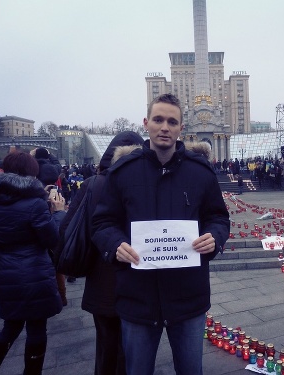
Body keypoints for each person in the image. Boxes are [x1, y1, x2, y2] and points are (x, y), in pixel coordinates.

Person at [91, 93, 230, 375]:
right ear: (146, 123)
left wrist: (215, 237)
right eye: (158, 120)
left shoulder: (200, 171)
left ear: (181, 128)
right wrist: (115, 244)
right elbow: (103, 222)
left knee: (191, 370)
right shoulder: (123, 172)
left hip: (188, 297)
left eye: (171, 121)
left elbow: (218, 217)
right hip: (138, 297)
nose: (164, 127)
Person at [59, 131, 143, 375]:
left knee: (106, 346)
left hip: (102, 280)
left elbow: (67, 229)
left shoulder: (93, 184)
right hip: (138, 282)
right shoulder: (146, 185)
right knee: (134, 348)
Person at [0, 151, 65, 375]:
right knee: (37, 329)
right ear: (31, 173)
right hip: (35, 273)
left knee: (10, 328)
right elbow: (52, 239)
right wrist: (58, 213)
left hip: (5, 272)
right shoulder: (34, 204)